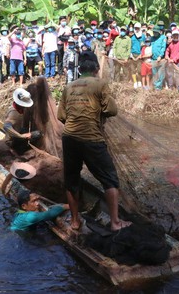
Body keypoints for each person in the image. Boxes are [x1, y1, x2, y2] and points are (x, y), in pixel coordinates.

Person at [57, 51, 130, 232]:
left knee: (72, 179)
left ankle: (75, 221)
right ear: (97, 69)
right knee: (110, 179)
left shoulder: (69, 87)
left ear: (80, 69)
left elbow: (61, 116)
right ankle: (114, 222)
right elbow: (112, 110)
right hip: (92, 138)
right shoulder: (100, 84)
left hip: (69, 138)